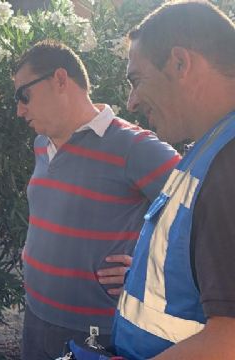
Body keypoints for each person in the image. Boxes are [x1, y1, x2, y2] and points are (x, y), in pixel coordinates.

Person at [12, 40, 180, 359]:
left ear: (60, 79)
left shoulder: (135, 147)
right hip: (35, 316)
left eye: (24, 95)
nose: (19, 109)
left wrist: (150, 272)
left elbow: (202, 215)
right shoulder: (41, 144)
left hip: (94, 330)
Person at [112, 2, 235, 359]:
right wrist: (150, 280)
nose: (131, 103)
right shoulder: (212, 149)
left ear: (180, 63)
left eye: (136, 81)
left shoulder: (228, 162)